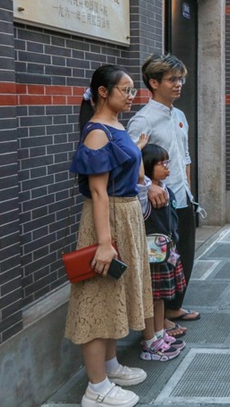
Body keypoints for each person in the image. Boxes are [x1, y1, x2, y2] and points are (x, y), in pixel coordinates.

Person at [67, 65, 152, 407]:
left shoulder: (116, 126)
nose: (131, 96)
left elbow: (129, 169)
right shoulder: (98, 132)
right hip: (109, 219)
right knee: (98, 299)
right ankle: (96, 388)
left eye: (133, 90)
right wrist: (103, 243)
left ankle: (111, 366)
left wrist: (137, 147)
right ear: (103, 92)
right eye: (125, 90)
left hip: (126, 215)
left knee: (114, 295)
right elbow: (98, 192)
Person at [127, 54, 201, 328]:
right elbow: (130, 162)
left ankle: (174, 308)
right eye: (172, 79)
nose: (178, 84)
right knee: (161, 261)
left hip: (183, 197)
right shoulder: (142, 120)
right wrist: (151, 186)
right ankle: (159, 319)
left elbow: (185, 156)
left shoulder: (179, 115)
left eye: (180, 78)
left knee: (184, 254)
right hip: (157, 206)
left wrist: (189, 189)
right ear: (153, 82)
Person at [137, 144, 187, 361]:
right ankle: (150, 342)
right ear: (147, 166)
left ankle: (159, 333)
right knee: (150, 299)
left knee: (159, 300)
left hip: (165, 254)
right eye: (161, 164)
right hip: (151, 258)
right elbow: (138, 185)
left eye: (168, 163)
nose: (167, 168)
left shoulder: (166, 190)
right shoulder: (145, 196)